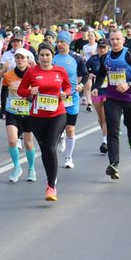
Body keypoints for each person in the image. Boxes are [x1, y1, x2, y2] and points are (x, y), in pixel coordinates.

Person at [92, 30, 131, 180]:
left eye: (118, 39)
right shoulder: (105, 57)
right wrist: (96, 87)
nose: (115, 42)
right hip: (112, 98)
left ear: (123, 40)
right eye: (112, 39)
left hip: (130, 99)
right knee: (113, 130)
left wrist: (129, 83)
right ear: (109, 41)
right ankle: (114, 165)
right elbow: (101, 74)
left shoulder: (130, 55)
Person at [17, 42, 70, 201]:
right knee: (45, 151)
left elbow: (68, 87)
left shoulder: (60, 70)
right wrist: (29, 91)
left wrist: (64, 94)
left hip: (57, 114)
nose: (45, 58)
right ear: (38, 57)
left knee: (50, 147)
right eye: (42, 55)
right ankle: (51, 179)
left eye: (48, 55)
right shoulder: (31, 72)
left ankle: (51, 187)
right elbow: (21, 90)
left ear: (52, 56)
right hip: (37, 117)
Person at [53, 31, 87, 169]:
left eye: (62, 42)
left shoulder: (76, 58)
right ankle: (60, 137)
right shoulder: (52, 58)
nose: (59, 45)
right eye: (58, 42)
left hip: (72, 97)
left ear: (68, 43)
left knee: (70, 129)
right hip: (56, 98)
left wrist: (81, 85)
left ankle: (69, 158)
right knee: (58, 127)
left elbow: (84, 74)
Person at [3, 48, 36, 182]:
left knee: (28, 143)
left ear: (28, 60)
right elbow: (4, 90)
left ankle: (31, 168)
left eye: (22, 58)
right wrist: (2, 107)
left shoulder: (33, 75)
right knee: (12, 140)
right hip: (12, 111)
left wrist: (30, 95)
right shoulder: (8, 75)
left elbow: (38, 93)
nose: (20, 60)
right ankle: (17, 167)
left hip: (28, 113)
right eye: (17, 57)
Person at [86, 38, 110, 153]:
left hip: (109, 91)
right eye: (100, 47)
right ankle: (107, 134)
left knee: (105, 117)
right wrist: (89, 74)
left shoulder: (111, 58)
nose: (101, 49)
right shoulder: (93, 59)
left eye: (104, 47)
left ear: (108, 48)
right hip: (97, 91)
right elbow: (84, 70)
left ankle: (105, 141)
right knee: (101, 118)